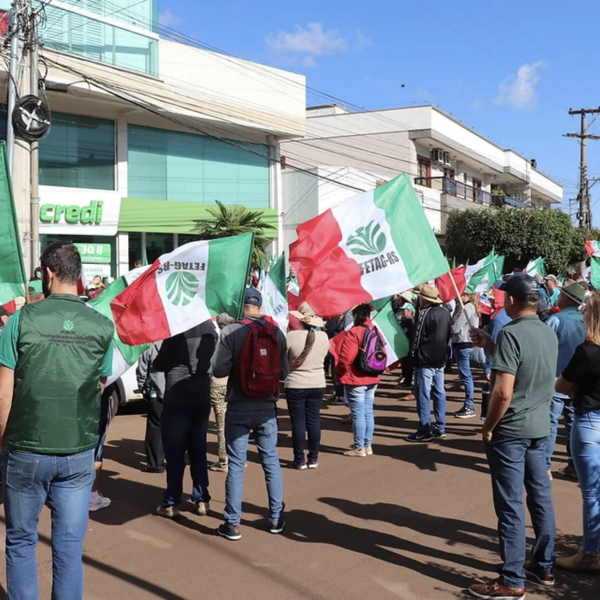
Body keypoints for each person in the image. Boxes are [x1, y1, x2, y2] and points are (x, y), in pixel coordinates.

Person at [0, 242, 113, 599]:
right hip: (77, 451)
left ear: (48, 274)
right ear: (78, 277)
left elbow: (4, 394)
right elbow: (98, 385)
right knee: (68, 548)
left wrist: (3, 441)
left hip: (25, 446)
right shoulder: (101, 325)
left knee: (20, 540)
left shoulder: (19, 320)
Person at [469, 274, 558, 599]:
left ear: (510, 301)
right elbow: (528, 366)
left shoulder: (510, 332)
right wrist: (489, 344)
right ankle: (545, 566)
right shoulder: (548, 332)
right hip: (539, 428)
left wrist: (489, 425)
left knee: (510, 506)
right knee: (540, 497)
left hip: (511, 431)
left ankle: (511, 579)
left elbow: (503, 393)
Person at [212, 288, 288, 541]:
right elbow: (284, 372)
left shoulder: (230, 331)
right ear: (259, 305)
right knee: (271, 460)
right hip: (267, 407)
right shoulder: (275, 332)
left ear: (239, 304)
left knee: (235, 465)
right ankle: (276, 517)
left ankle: (232, 523)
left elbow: (219, 370)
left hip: (239, 406)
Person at [554, 292, 600, 573]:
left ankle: (592, 553)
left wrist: (577, 389)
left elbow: (561, 386)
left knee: (592, 492)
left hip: (590, 423)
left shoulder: (588, 351)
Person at [153, 320, 217, 519]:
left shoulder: (178, 328)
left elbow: (159, 363)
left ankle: (172, 501)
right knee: (198, 448)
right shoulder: (210, 329)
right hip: (201, 393)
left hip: (178, 394)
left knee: (175, 452)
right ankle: (202, 499)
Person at [545, 282, 587, 479]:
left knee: (550, 424)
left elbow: (542, 349)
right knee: (573, 424)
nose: (558, 298)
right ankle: (574, 465)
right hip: (578, 384)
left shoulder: (556, 320)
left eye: (561, 295)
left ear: (567, 298)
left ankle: (545, 466)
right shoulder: (586, 321)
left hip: (555, 382)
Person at [285, 303, 329, 469]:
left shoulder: (291, 336)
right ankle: (313, 458)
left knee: (298, 423)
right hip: (317, 382)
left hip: (295, 383)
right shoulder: (324, 337)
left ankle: (299, 459)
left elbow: (284, 358)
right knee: (313, 421)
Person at [406, 285, 451, 442]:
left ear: (423, 298)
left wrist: (412, 355)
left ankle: (424, 429)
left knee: (423, 395)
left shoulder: (425, 313)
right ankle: (440, 427)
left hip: (425, 359)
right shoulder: (445, 312)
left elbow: (417, 337)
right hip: (440, 358)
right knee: (439, 392)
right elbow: (448, 336)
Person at [336, 304, 382, 457]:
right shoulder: (375, 330)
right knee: (368, 412)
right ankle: (367, 445)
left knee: (358, 414)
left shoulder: (354, 332)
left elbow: (345, 359)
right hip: (373, 376)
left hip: (356, 378)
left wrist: (340, 373)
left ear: (356, 316)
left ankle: (359, 447)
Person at [209, 313, 236, 473]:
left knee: (221, 425)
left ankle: (223, 461)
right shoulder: (237, 335)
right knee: (234, 422)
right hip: (233, 383)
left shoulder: (214, 337)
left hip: (218, 383)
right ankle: (236, 457)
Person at [137, 343, 166, 473]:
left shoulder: (149, 345)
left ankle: (155, 464)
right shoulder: (177, 340)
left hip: (156, 392)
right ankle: (178, 458)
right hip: (176, 392)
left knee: (155, 428)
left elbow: (142, 370)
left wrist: (143, 388)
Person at [451, 293, 480, 419]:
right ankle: (469, 404)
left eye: (462, 294)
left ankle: (469, 405)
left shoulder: (467, 308)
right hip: (464, 343)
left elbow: (455, 327)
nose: (458, 296)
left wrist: (450, 324)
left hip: (463, 342)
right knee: (465, 375)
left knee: (466, 375)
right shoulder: (468, 306)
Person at [398, 302, 415, 389]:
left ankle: (407, 382)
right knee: (405, 365)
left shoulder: (408, 321)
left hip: (408, 345)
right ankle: (406, 380)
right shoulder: (406, 320)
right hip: (405, 345)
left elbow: (405, 333)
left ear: (410, 311)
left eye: (405, 310)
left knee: (408, 366)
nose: (404, 312)